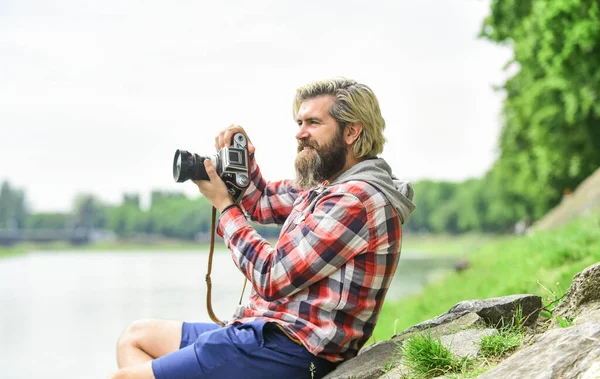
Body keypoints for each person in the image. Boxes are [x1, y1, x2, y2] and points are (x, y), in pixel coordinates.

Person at [110, 77, 416, 379]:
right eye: (299, 123)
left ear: (351, 131)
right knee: (135, 338)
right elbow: (263, 202)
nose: (300, 134)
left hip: (293, 349)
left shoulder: (356, 199)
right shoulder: (328, 186)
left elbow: (272, 277)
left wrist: (225, 207)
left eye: (313, 123)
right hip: (264, 333)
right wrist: (244, 161)